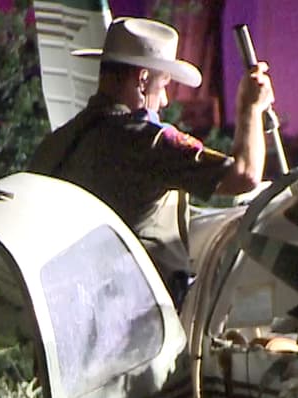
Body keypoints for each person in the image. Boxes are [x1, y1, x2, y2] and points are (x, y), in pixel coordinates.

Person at [28, 16, 276, 305]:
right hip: (141, 319)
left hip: (73, 314)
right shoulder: (149, 141)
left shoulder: (55, 144)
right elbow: (244, 175)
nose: (166, 100)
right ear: (143, 80)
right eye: (165, 86)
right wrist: (250, 108)